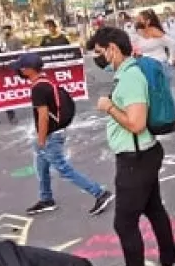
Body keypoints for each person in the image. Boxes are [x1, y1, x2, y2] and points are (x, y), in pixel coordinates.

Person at [87, 27, 175, 266]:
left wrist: (109, 107)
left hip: (135, 159)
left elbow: (136, 123)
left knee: (124, 224)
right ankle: (168, 263)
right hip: (143, 154)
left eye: (100, 52)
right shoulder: (129, 74)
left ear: (112, 48)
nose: (99, 59)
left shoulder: (130, 77)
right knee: (154, 209)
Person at [12, 52, 113, 217]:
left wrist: (42, 139)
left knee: (63, 169)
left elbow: (43, 116)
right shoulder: (46, 82)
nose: (19, 72)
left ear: (28, 70)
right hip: (54, 132)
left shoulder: (38, 88)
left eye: (21, 68)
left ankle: (100, 193)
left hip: (50, 135)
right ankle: (46, 199)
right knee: (41, 166)